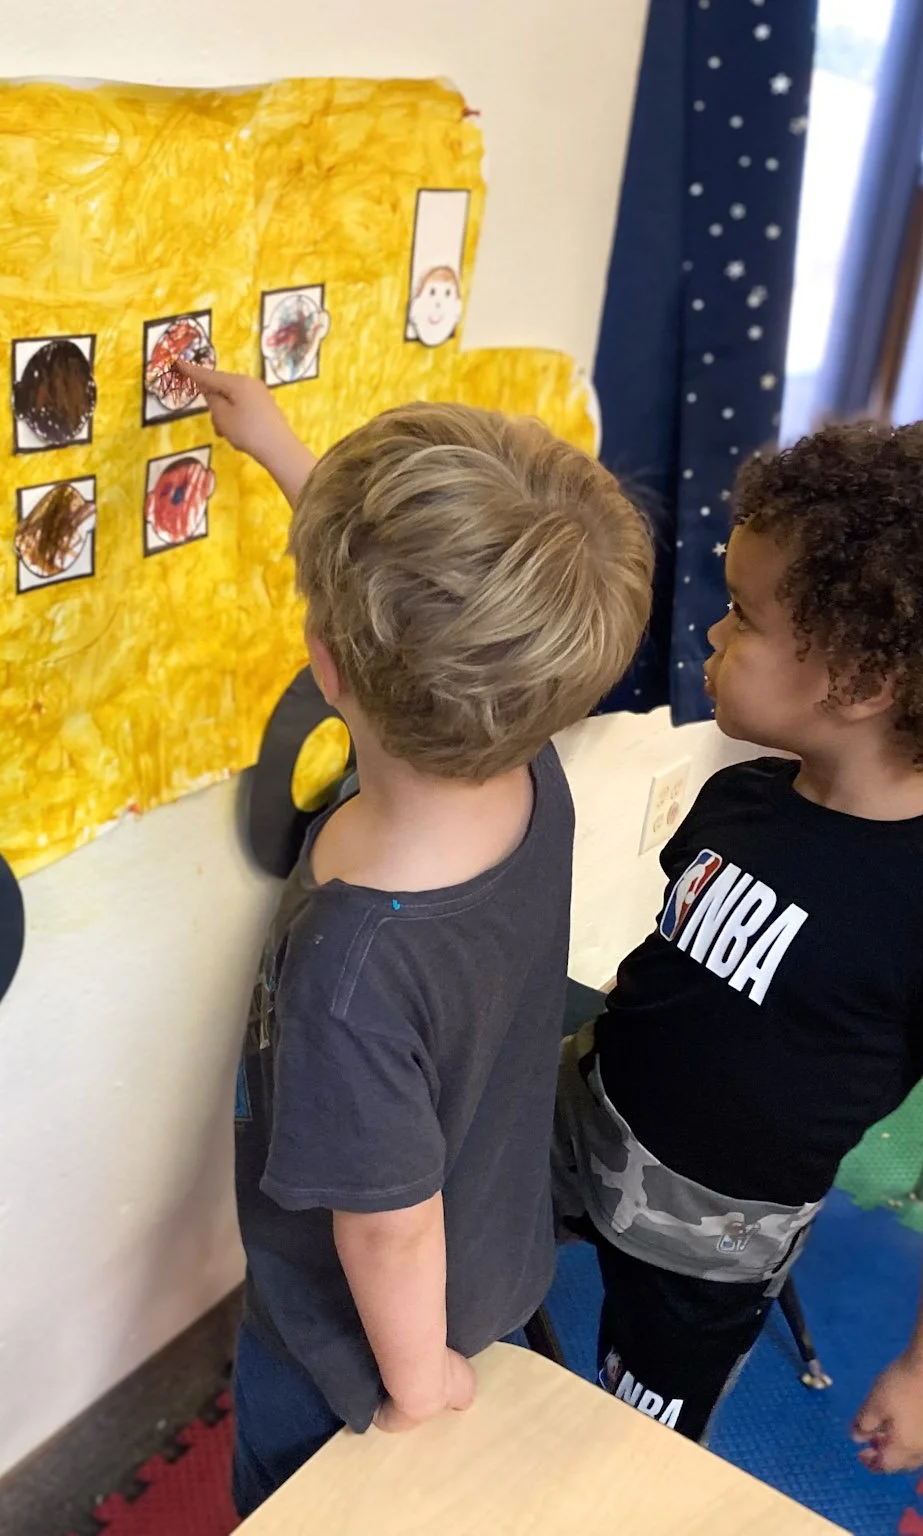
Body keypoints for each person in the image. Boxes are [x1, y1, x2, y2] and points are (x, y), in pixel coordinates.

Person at [559, 420, 923, 1465]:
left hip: (706, 1247)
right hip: (585, 1124)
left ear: (858, 678)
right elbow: (669, 969)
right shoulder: (737, 793)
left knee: (626, 1458)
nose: (710, 636)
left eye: (739, 616)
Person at [177, 360, 655, 1516]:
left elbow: (386, 1233)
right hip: (495, 1236)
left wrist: (414, 1383)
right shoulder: (528, 761)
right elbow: (426, 624)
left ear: (325, 668)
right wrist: (288, 455)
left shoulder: (354, 972)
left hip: (348, 1339)